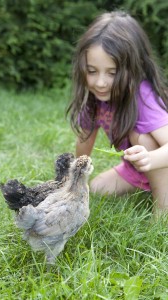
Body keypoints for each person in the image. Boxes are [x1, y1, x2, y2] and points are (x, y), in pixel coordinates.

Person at [66, 10, 168, 217]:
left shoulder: (144, 96)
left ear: (133, 68)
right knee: (96, 189)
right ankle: (149, 183)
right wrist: (76, 177)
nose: (100, 82)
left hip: (158, 160)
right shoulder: (93, 98)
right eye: (92, 71)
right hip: (137, 169)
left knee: (141, 138)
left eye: (112, 73)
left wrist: (150, 158)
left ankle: (163, 208)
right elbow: (85, 139)